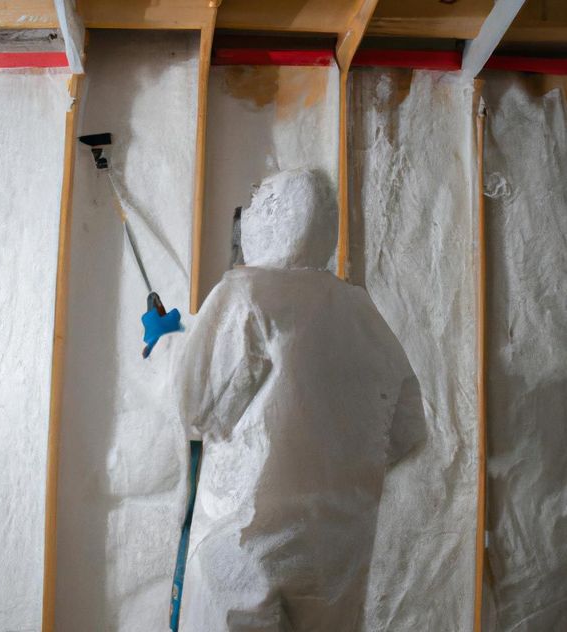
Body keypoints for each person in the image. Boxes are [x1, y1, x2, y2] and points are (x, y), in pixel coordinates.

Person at [173, 169, 426, 631]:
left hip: (242, 542)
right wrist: (338, 473)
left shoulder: (243, 294)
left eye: (260, 200)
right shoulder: (360, 311)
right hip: (334, 551)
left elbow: (197, 408)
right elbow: (407, 429)